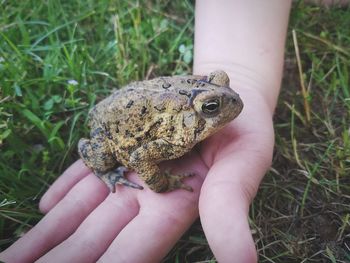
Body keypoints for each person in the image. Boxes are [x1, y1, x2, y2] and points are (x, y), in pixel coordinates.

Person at [0, 0, 302, 262]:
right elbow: (141, 154)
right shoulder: (173, 142)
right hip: (110, 127)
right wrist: (161, 183)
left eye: (222, 85)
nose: (231, 101)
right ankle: (104, 169)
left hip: (135, 101)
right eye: (212, 108)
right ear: (190, 117)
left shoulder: (188, 123)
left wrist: (250, 79)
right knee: (105, 158)